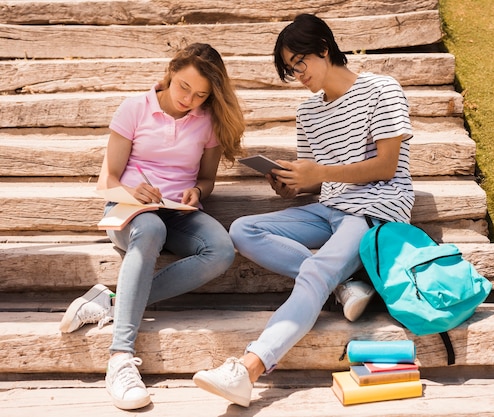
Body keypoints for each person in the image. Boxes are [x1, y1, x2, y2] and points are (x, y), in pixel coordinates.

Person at [192, 14, 415, 407]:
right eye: (290, 69)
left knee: (314, 269)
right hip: (329, 208)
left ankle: (248, 369)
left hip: (375, 210)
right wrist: (291, 183)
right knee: (243, 230)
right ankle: (343, 285)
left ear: (325, 49)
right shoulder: (308, 112)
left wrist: (321, 173)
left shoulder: (382, 90)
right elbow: (316, 179)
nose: (298, 74)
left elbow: (386, 165)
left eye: (300, 63)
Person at [58, 43, 246, 410]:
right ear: (170, 72)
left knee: (221, 251)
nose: (189, 99)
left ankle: (110, 301)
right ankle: (120, 359)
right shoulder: (134, 109)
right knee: (151, 230)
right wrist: (132, 190)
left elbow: (207, 180)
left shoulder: (208, 120)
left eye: (201, 95)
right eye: (183, 88)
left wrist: (196, 190)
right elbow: (108, 180)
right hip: (129, 210)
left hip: (178, 212)